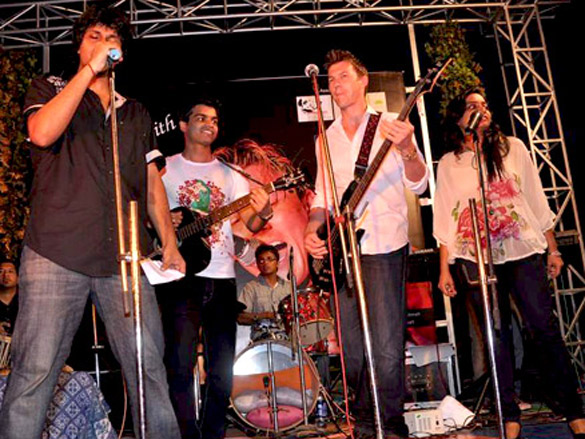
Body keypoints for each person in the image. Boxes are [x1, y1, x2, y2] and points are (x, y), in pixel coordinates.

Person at [0, 5, 185, 439]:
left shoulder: (134, 112)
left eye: (111, 38)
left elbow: (151, 183)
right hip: (56, 251)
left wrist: (170, 242)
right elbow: (41, 133)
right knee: (35, 370)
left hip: (124, 257)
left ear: (123, 52)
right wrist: (87, 73)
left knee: (148, 367)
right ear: (80, 47)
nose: (103, 44)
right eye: (94, 37)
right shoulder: (51, 87)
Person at [433, 88, 585, 439]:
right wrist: (444, 267)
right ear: (459, 118)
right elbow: (444, 217)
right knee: (495, 337)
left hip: (521, 251)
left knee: (543, 327)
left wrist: (553, 249)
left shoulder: (512, 148)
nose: (481, 109)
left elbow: (535, 199)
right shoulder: (450, 163)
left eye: (484, 104)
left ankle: (574, 410)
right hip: (475, 258)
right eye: (472, 106)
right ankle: (509, 415)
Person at [304, 49, 429, 438]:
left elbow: (419, 183)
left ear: (363, 81)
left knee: (387, 345)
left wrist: (408, 148)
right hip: (345, 251)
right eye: (331, 79)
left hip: (385, 243)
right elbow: (324, 197)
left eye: (344, 76)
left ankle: (390, 425)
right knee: (353, 348)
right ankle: (363, 422)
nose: (336, 84)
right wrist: (312, 228)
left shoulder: (391, 124)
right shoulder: (326, 138)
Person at [157, 98, 273, 439]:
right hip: (180, 276)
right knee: (179, 366)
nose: (210, 124)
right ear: (183, 125)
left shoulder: (231, 173)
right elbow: (149, 214)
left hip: (222, 278)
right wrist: (164, 219)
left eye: (215, 120)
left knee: (222, 371)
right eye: (201, 118)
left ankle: (213, 434)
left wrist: (264, 211)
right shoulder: (165, 170)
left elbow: (250, 223)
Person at [237, 244, 290, 341]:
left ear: (277, 263)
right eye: (261, 260)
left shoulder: (289, 287)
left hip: (287, 339)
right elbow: (241, 318)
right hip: (261, 340)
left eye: (270, 259)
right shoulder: (251, 287)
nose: (265, 263)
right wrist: (263, 316)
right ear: (257, 264)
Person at [0, 260, 18, 337]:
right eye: (1, 272)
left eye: (10, 271)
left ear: (18, 277)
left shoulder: (26, 300)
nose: (5, 275)